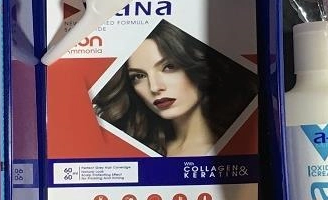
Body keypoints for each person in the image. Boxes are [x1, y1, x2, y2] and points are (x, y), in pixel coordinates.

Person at [92, 20, 258, 157]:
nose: (154, 87)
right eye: (139, 76)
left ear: (199, 67)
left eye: (169, 67)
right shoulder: (138, 147)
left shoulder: (239, 143)